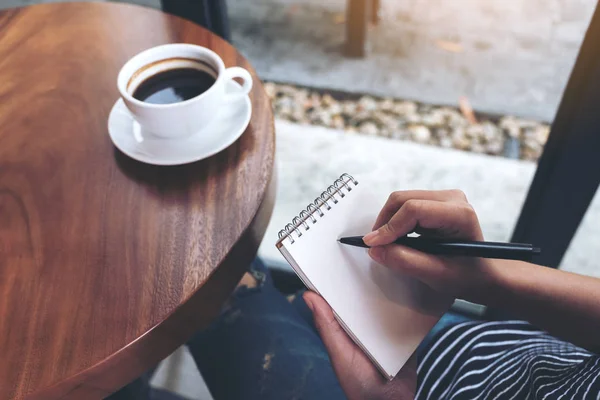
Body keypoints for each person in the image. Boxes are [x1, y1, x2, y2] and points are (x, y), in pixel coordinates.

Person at [188, 190, 600, 399]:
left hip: (402, 388)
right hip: (478, 353)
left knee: (213, 276)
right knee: (295, 307)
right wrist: (488, 279)